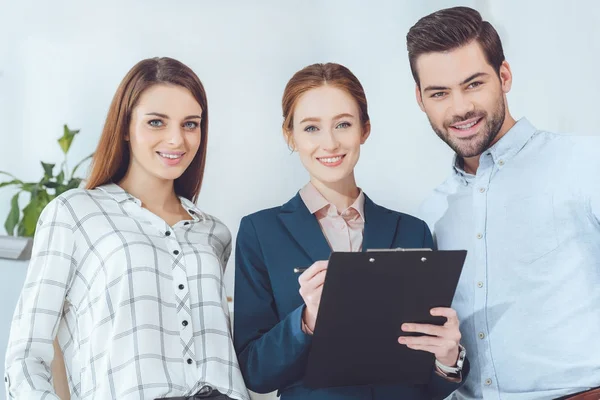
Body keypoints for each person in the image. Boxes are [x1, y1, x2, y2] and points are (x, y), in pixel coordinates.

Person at [4, 57, 249, 400]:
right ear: (124, 126)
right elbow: (26, 355)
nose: (176, 139)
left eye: (190, 124)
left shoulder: (214, 233)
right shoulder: (74, 213)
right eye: (156, 122)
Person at [233, 62, 467, 400]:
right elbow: (255, 372)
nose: (329, 143)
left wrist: (448, 360)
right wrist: (308, 320)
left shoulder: (411, 231)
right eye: (311, 128)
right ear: (290, 136)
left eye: (343, 124)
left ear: (364, 130)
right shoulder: (260, 232)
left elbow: (423, 383)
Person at [407, 7, 600, 399]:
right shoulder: (431, 214)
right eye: (439, 93)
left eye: (473, 84)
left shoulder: (586, 164)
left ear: (504, 77)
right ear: (420, 99)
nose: (459, 108)